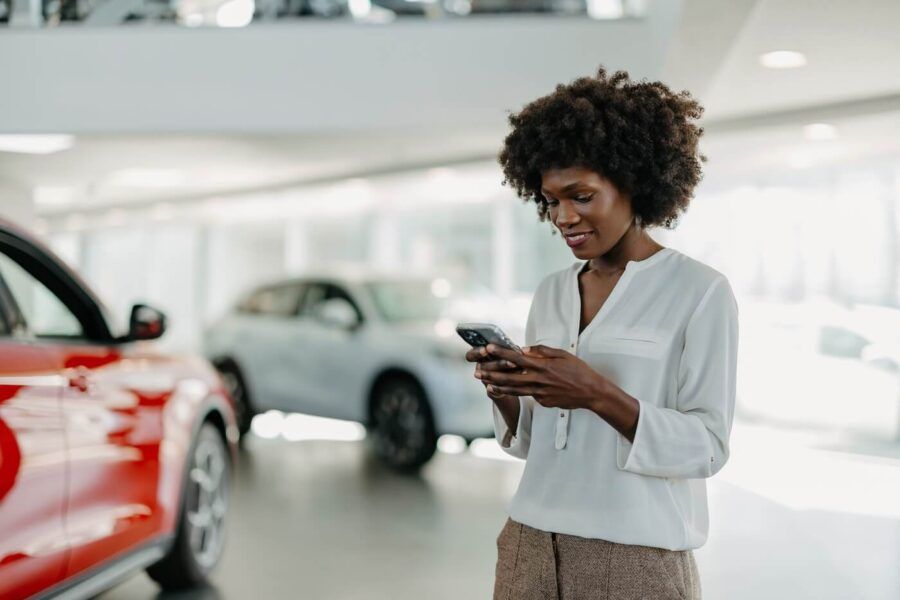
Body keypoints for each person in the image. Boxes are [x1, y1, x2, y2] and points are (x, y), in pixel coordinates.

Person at [466, 67, 739, 600]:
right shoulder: (552, 290)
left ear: (634, 182)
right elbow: (532, 443)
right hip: (529, 542)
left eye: (581, 196)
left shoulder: (699, 291)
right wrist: (506, 393)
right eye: (550, 200)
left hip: (637, 554)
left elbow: (708, 446)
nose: (563, 216)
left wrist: (596, 393)